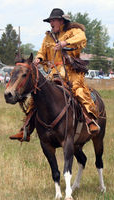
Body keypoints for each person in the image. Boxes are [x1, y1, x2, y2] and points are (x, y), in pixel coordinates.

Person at [10, 8, 100, 141]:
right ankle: (26, 129)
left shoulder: (73, 31)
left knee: (79, 92)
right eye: (50, 21)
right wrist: (39, 59)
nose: (51, 23)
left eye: (53, 20)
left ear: (61, 21)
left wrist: (64, 43)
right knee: (37, 96)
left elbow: (82, 37)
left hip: (71, 72)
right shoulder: (48, 36)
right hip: (53, 73)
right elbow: (42, 51)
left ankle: (90, 120)